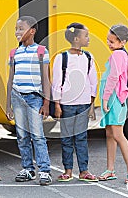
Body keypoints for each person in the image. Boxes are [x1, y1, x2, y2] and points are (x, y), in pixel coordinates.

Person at [5, 16, 52, 186]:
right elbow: (10, 79)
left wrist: (46, 103)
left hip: (34, 98)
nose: (17, 32)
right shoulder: (14, 53)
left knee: (38, 135)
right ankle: (27, 169)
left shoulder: (41, 51)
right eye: (16, 29)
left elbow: (46, 79)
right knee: (22, 135)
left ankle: (45, 170)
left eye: (20, 28)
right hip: (17, 97)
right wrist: (8, 103)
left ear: (32, 31)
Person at [52, 23, 98, 182]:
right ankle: (68, 170)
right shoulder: (62, 57)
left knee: (81, 137)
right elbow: (57, 82)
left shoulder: (88, 57)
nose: (89, 38)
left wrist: (91, 104)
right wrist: (57, 104)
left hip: (84, 104)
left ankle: (84, 171)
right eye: (86, 36)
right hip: (67, 105)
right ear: (77, 39)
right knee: (66, 138)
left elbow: (93, 81)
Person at [98, 24, 128, 184]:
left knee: (118, 135)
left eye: (112, 42)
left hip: (115, 100)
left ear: (121, 42)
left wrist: (106, 98)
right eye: (108, 40)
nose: (109, 44)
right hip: (113, 100)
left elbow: (113, 78)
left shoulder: (117, 56)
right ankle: (110, 169)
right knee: (110, 134)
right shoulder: (120, 54)